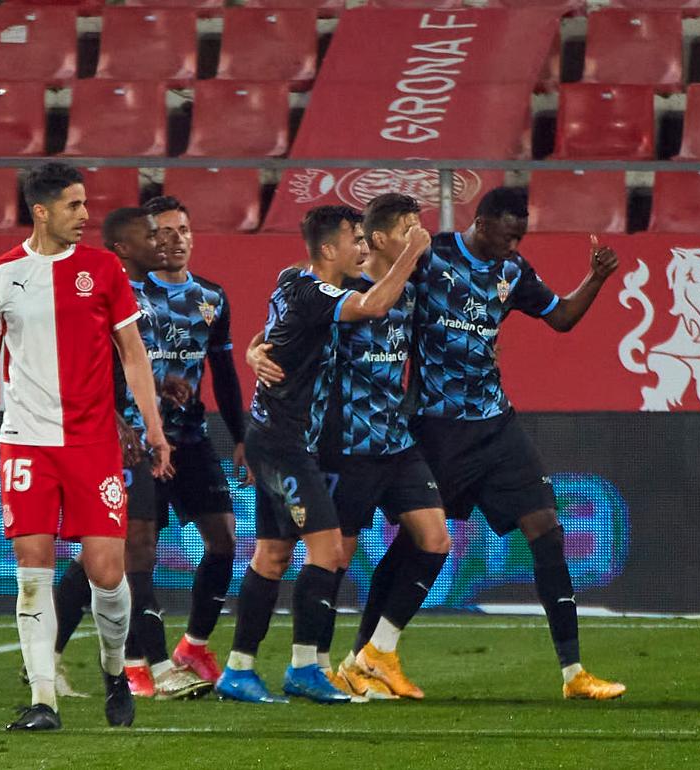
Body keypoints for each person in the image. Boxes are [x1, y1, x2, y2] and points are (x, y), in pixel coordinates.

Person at [0, 163, 173, 731]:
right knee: (31, 568)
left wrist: (153, 427)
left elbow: (132, 354)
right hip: (25, 445)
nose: (85, 215)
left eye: (85, 204)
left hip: (91, 444)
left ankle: (113, 671)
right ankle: (42, 699)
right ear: (42, 210)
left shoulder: (103, 269)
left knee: (107, 571)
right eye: (74, 205)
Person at [399, 187, 625, 700]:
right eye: (509, 232)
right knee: (422, 542)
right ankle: (371, 650)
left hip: (497, 424)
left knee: (546, 528)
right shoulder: (431, 256)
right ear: (481, 222)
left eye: (521, 234)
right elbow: (382, 299)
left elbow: (561, 318)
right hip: (439, 426)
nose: (515, 242)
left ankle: (573, 673)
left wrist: (596, 278)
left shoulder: (513, 271)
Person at [215, 205, 422, 705]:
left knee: (272, 554)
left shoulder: (292, 279)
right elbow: (372, 307)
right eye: (355, 239)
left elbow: (277, 333)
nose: (362, 248)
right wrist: (412, 252)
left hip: (275, 436)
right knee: (327, 552)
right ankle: (305, 666)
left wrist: (253, 348)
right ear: (329, 250)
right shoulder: (314, 293)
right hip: (284, 444)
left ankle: (238, 670)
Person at [50, 207, 210, 701]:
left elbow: (124, 364)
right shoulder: (98, 291)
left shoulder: (139, 295)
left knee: (108, 556)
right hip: (106, 442)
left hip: (138, 439)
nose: (161, 241)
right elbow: (79, 365)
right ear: (124, 247)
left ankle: (47, 657)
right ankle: (157, 668)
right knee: (133, 548)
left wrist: (160, 389)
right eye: (150, 235)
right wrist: (118, 423)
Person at [137, 196, 249, 687]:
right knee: (136, 552)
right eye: (163, 231)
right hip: (137, 442)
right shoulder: (129, 294)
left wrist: (241, 437)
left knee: (224, 540)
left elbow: (223, 373)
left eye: (183, 229)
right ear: (146, 241)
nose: (175, 238)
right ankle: (140, 662)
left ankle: (195, 647)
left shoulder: (212, 297)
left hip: (192, 437)